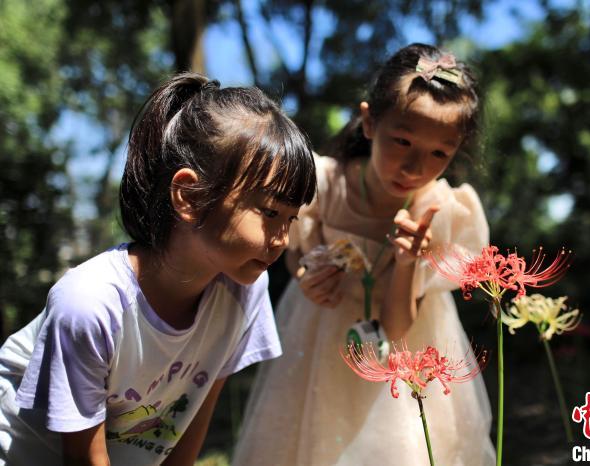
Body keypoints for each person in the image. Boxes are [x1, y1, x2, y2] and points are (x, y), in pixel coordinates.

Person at [0, 72, 316, 466]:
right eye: (270, 212)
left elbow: (190, 421)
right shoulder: (90, 304)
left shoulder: (245, 291)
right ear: (188, 196)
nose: (282, 239)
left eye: (291, 219)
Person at [232, 43, 495, 465]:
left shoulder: (441, 213)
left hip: (404, 360)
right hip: (319, 342)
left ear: (456, 149)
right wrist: (307, 275)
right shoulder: (325, 185)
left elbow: (396, 325)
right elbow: (296, 254)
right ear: (370, 121)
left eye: (438, 154)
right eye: (402, 141)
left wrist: (408, 262)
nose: (414, 167)